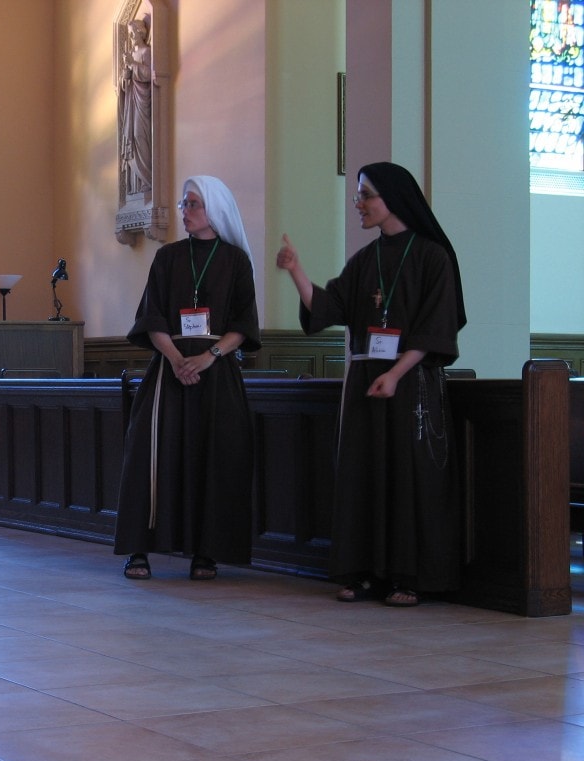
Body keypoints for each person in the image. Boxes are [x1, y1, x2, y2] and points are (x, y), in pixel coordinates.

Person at [275, 161, 466, 607]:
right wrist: (296, 270)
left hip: (409, 382)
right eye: (358, 195)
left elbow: (436, 328)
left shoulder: (432, 257)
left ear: (392, 199)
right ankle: (361, 572)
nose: (357, 203)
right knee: (362, 476)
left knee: (406, 477)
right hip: (366, 381)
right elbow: (327, 307)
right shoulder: (365, 260)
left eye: (365, 195)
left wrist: (395, 375)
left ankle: (406, 576)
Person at [115, 175, 261, 580]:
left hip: (216, 373)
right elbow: (152, 316)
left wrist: (208, 357)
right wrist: (179, 358)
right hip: (169, 371)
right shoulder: (168, 258)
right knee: (148, 454)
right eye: (182, 204)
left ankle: (206, 552)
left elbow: (244, 324)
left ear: (213, 209)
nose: (185, 211)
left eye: (192, 204)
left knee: (214, 457)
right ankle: (139, 550)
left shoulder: (235, 261)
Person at [119, 17, 153, 196]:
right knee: (131, 136)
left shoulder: (146, 52)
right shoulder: (131, 54)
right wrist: (125, 76)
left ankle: (147, 179)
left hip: (142, 102)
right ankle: (136, 185)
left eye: (133, 34)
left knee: (141, 137)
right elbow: (125, 86)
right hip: (131, 104)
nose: (131, 38)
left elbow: (149, 74)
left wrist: (133, 64)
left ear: (140, 33)